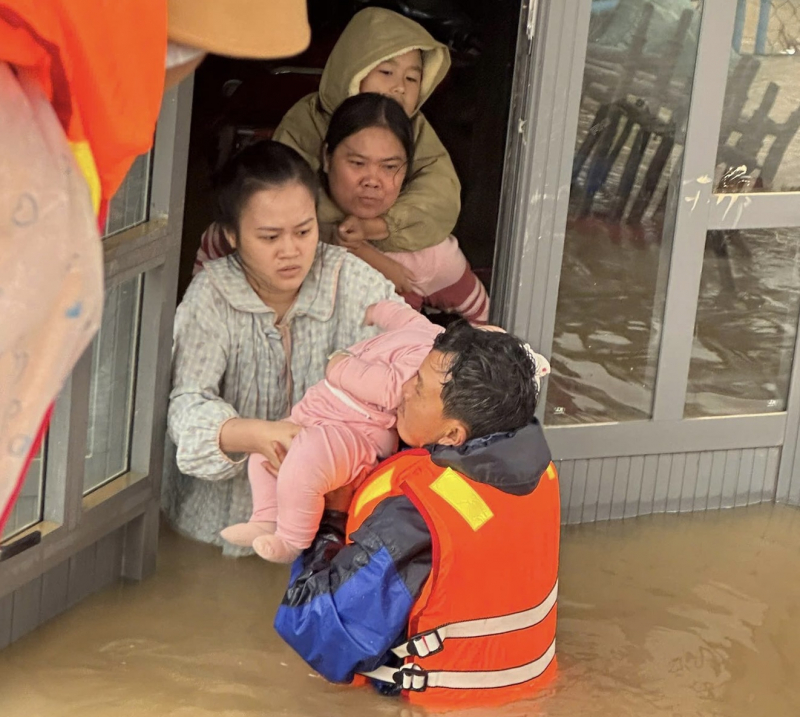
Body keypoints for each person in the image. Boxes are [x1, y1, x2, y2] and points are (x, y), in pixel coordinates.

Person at [274, 321, 560, 710]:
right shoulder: (540, 469)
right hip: (532, 690)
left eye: (419, 388)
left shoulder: (417, 515)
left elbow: (316, 630)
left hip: (431, 705)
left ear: (454, 435)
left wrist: (332, 518)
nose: (403, 388)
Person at [163, 140, 401, 555]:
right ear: (232, 236)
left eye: (304, 231)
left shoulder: (356, 282)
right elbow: (186, 405)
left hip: (336, 514)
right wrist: (256, 435)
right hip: (222, 521)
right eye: (270, 236)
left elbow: (406, 373)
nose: (291, 250)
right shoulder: (212, 295)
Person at [194, 8, 461, 280]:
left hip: (391, 240)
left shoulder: (415, 128)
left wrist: (379, 226)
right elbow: (286, 194)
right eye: (386, 71)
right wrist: (352, 237)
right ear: (352, 69)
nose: (399, 87)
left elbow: (440, 194)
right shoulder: (309, 118)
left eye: (412, 78)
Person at [220, 300, 443, 563]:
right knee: (265, 451)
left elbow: (391, 391)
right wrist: (375, 310)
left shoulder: (428, 361)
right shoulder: (426, 330)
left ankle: (291, 539)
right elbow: (398, 315)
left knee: (307, 460)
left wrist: (339, 365)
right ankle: (266, 518)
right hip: (323, 410)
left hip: (358, 429)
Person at [322, 93, 489, 322]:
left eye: (389, 167)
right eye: (358, 163)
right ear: (326, 158)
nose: (372, 180)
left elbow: (485, 319)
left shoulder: (430, 255)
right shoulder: (289, 234)